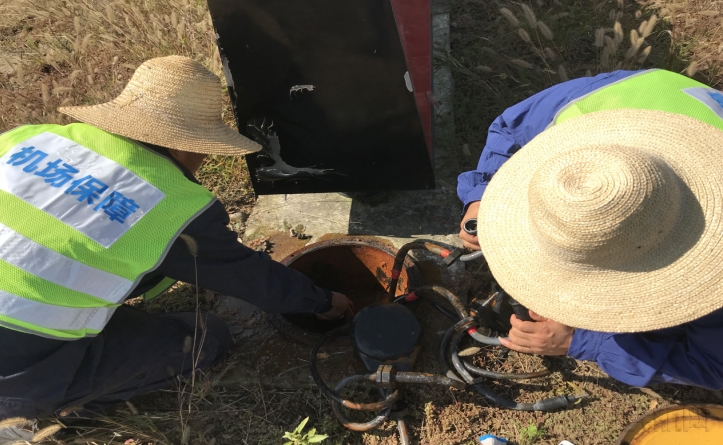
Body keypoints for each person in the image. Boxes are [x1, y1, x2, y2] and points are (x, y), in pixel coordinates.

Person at [0, 55, 352, 429]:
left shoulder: (28, 137)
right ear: (188, 145)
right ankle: (37, 419)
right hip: (15, 372)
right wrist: (324, 302)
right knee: (207, 337)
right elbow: (249, 276)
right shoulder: (172, 204)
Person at [457, 69, 723, 390]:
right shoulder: (590, 103)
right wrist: (482, 196)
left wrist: (582, 341)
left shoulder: (715, 273)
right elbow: (511, 131)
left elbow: (714, 366)